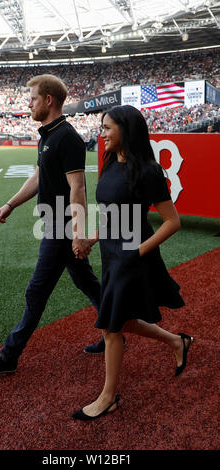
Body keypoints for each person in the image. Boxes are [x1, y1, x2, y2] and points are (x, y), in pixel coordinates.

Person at [0, 73, 103, 376]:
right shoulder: (48, 134)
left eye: (32, 99)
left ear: (48, 100)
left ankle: (9, 356)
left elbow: (78, 188)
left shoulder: (67, 137)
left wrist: (80, 233)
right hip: (55, 223)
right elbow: (38, 177)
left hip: (62, 226)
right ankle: (114, 331)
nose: (27, 104)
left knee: (36, 291)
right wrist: (10, 204)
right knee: (86, 282)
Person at [72, 105, 194, 421]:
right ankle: (176, 341)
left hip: (133, 256)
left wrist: (136, 253)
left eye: (108, 127)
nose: (102, 133)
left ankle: (108, 397)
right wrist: (92, 239)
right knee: (121, 320)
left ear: (126, 130)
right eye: (101, 127)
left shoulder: (149, 171)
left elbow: (172, 222)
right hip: (111, 254)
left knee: (111, 327)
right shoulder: (109, 163)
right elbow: (112, 214)